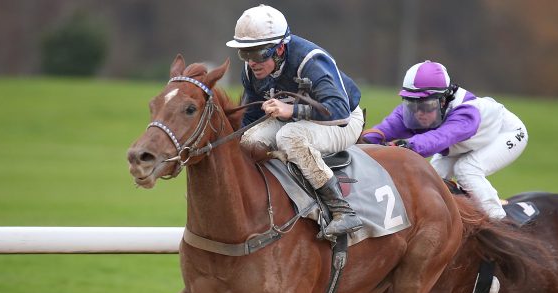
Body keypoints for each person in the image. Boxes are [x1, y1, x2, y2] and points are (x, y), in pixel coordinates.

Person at [226, 4, 364, 237]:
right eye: (245, 53)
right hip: (295, 121)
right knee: (249, 142)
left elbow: (339, 112)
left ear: (279, 49)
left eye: (258, 54)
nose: (251, 62)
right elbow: (251, 117)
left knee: (289, 137)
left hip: (343, 121)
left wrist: (292, 111)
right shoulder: (251, 72)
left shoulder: (311, 61)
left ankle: (343, 211)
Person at [362, 61, 528, 220]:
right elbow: (384, 129)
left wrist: (403, 146)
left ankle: (499, 222)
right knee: (431, 177)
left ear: (443, 100)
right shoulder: (415, 111)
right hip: (464, 144)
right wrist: (363, 140)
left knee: (467, 170)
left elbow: (437, 139)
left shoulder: (466, 113)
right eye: (412, 104)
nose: (418, 112)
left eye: (425, 105)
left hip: (506, 133)